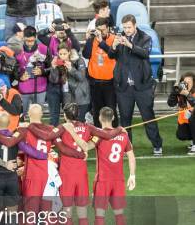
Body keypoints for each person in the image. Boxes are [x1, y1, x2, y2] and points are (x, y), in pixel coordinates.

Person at [55, 103, 124, 225]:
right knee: (83, 214)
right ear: (78, 114)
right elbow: (107, 135)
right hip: (81, 176)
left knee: (67, 213)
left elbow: (54, 142)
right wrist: (120, 129)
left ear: (65, 115)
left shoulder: (62, 127)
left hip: (67, 175)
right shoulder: (88, 127)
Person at [108, 14, 163, 155]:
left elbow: (144, 53)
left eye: (129, 27)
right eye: (124, 27)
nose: (126, 30)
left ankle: (157, 145)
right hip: (124, 88)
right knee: (125, 119)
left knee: (148, 117)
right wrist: (113, 46)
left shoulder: (145, 37)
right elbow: (111, 56)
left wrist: (130, 44)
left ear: (135, 25)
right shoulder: (119, 37)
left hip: (142, 86)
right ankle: (128, 147)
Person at [88, 106, 136, 225]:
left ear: (100, 119)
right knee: (119, 214)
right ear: (113, 118)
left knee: (99, 215)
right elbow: (131, 156)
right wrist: (132, 175)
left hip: (102, 181)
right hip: (118, 181)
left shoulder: (98, 135)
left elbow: (86, 147)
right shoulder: (123, 135)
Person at [83, 17, 118, 127]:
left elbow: (114, 54)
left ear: (108, 28)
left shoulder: (114, 39)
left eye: (103, 30)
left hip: (110, 83)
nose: (101, 32)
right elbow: (86, 55)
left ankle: (114, 134)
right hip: (95, 82)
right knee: (96, 109)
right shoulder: (93, 40)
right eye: (98, 29)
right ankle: (98, 134)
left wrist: (101, 42)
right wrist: (89, 39)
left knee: (111, 109)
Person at [48, 43, 89, 125]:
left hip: (80, 96)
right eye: (60, 54)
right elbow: (54, 80)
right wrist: (53, 68)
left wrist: (71, 68)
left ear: (69, 52)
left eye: (65, 54)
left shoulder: (78, 60)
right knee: (69, 122)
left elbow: (81, 77)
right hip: (67, 95)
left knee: (79, 122)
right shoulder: (58, 62)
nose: (63, 56)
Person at [16, 26, 49, 113]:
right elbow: (13, 71)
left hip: (40, 89)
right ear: (23, 38)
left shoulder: (44, 49)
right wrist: (20, 77)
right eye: (27, 41)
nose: (29, 43)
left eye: (32, 40)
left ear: (35, 38)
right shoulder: (18, 50)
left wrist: (42, 72)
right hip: (24, 89)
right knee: (23, 116)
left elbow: (51, 68)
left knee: (37, 116)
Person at [167, 72, 195, 154]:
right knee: (181, 135)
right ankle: (193, 139)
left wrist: (187, 94)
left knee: (193, 118)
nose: (186, 85)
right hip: (185, 121)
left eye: (189, 82)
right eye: (184, 82)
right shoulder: (180, 92)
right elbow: (170, 104)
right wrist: (174, 92)